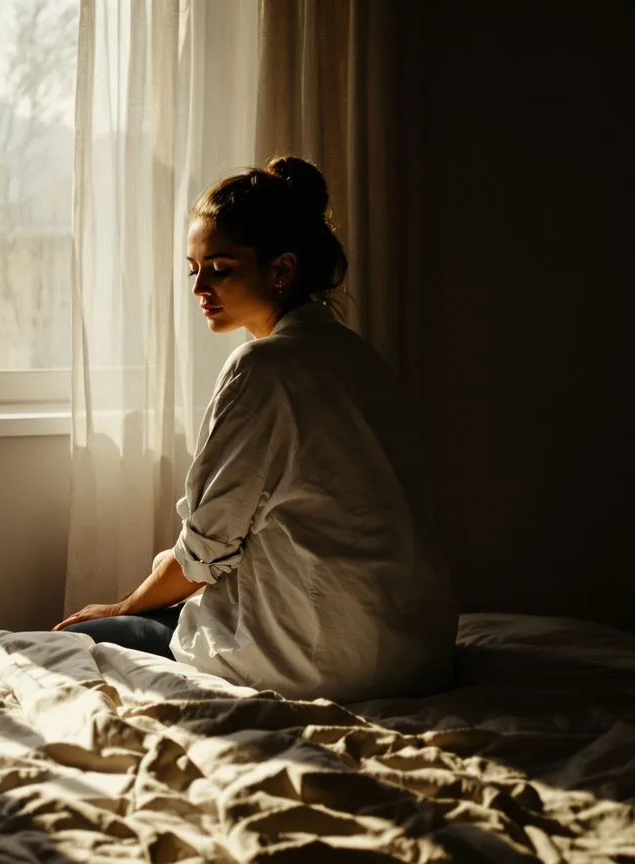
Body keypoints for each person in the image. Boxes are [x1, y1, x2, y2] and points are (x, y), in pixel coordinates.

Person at [53, 156, 456, 702]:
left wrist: (123, 606)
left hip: (321, 661)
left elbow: (205, 549)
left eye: (219, 268)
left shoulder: (262, 369)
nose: (199, 287)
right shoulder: (360, 358)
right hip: (416, 652)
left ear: (281, 270)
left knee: (74, 642)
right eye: (192, 268)